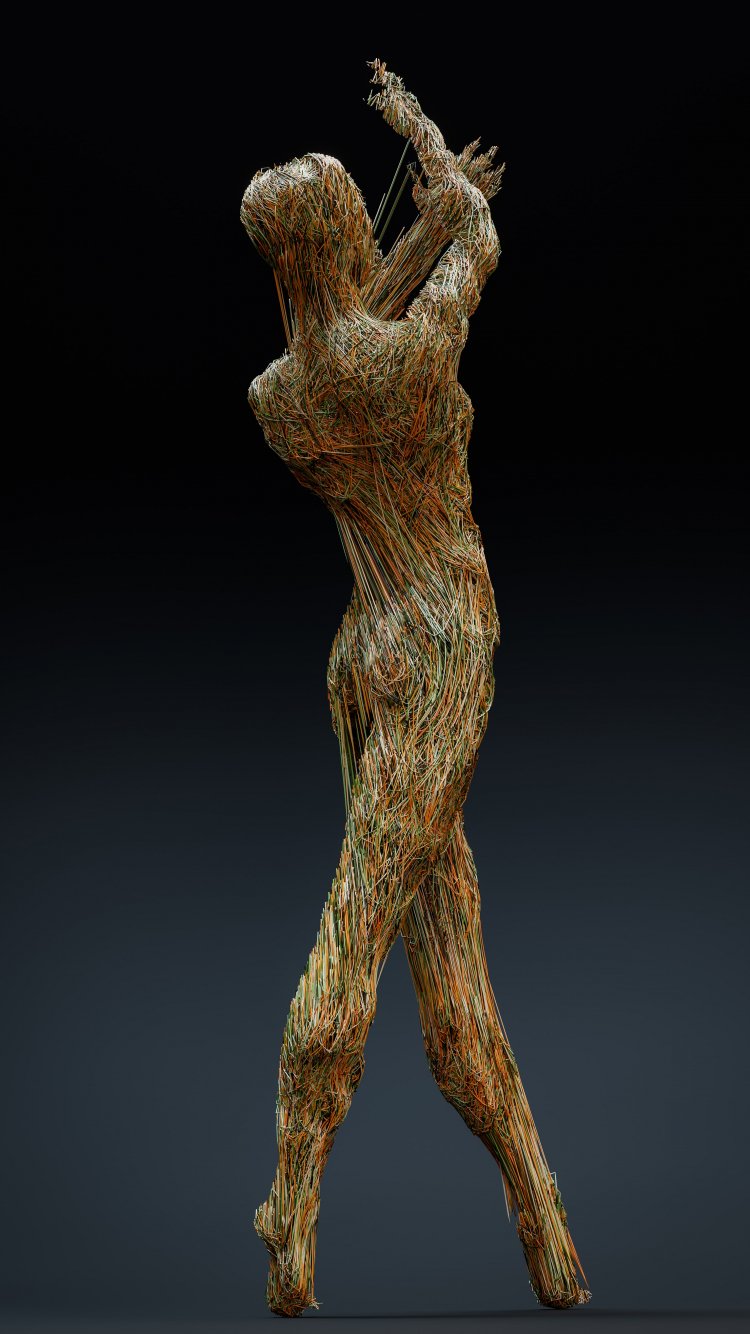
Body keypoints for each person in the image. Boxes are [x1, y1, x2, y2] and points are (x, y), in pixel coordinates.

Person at [241, 58, 591, 1318]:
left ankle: (546, 1226)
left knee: (450, 986)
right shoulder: (404, 361)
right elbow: (478, 241)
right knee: (356, 921)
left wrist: (420, 204)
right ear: (347, 235)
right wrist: (436, 162)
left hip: (364, 653)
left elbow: (353, 333)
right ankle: (290, 1205)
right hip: (442, 642)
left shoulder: (279, 400)